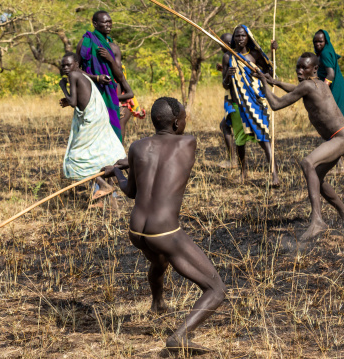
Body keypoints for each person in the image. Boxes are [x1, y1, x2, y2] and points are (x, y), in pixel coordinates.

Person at [101, 97, 226, 354]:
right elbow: (167, 155)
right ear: (178, 122)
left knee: (159, 261)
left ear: (151, 120)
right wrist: (123, 166)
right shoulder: (188, 142)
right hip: (164, 231)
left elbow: (131, 191)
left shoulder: (137, 147)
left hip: (136, 230)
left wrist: (118, 171)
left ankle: (157, 304)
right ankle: (179, 337)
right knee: (216, 290)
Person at [253, 52, 344, 241]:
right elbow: (296, 89)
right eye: (298, 67)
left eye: (304, 68)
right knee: (316, 176)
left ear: (315, 69)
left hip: (341, 137)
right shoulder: (318, 84)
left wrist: (264, 84)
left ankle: (317, 221)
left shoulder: (308, 85)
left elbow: (275, 104)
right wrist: (275, 82)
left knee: (308, 163)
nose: (300, 71)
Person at [58, 52, 126, 198]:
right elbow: (77, 99)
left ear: (76, 64)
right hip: (98, 117)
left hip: (91, 120)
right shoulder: (81, 75)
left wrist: (63, 87)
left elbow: (73, 102)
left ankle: (104, 185)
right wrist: (68, 98)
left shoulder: (73, 75)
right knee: (94, 154)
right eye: (63, 65)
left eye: (68, 64)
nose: (65, 68)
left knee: (75, 158)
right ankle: (104, 196)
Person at [222, 25, 279, 185]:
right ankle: (243, 172)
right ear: (234, 38)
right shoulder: (228, 57)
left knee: (264, 137)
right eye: (237, 36)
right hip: (237, 104)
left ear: (248, 37)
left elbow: (270, 73)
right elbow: (225, 85)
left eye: (243, 36)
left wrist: (273, 53)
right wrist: (228, 75)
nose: (240, 39)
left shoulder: (254, 55)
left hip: (254, 102)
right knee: (240, 141)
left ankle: (275, 175)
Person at [76, 10, 128, 142]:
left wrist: (110, 59)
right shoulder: (85, 43)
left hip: (110, 94)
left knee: (112, 132)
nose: (109, 25)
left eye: (110, 22)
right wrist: (96, 78)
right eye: (105, 22)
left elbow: (120, 77)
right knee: (91, 133)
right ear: (95, 23)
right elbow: (75, 69)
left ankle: (115, 160)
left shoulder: (114, 48)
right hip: (91, 93)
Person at [313, 29, 344, 164]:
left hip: (334, 92)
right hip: (337, 90)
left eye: (321, 41)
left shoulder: (325, 53)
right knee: (341, 127)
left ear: (326, 41)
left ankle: (341, 163)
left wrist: (322, 89)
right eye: (316, 41)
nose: (318, 44)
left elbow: (330, 74)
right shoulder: (324, 52)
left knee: (335, 128)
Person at [217, 32, 238, 168]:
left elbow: (226, 83)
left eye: (221, 43)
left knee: (225, 126)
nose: (220, 47)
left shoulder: (228, 56)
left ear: (228, 44)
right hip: (240, 100)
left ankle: (233, 161)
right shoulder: (241, 55)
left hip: (237, 100)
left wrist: (226, 75)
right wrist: (223, 71)